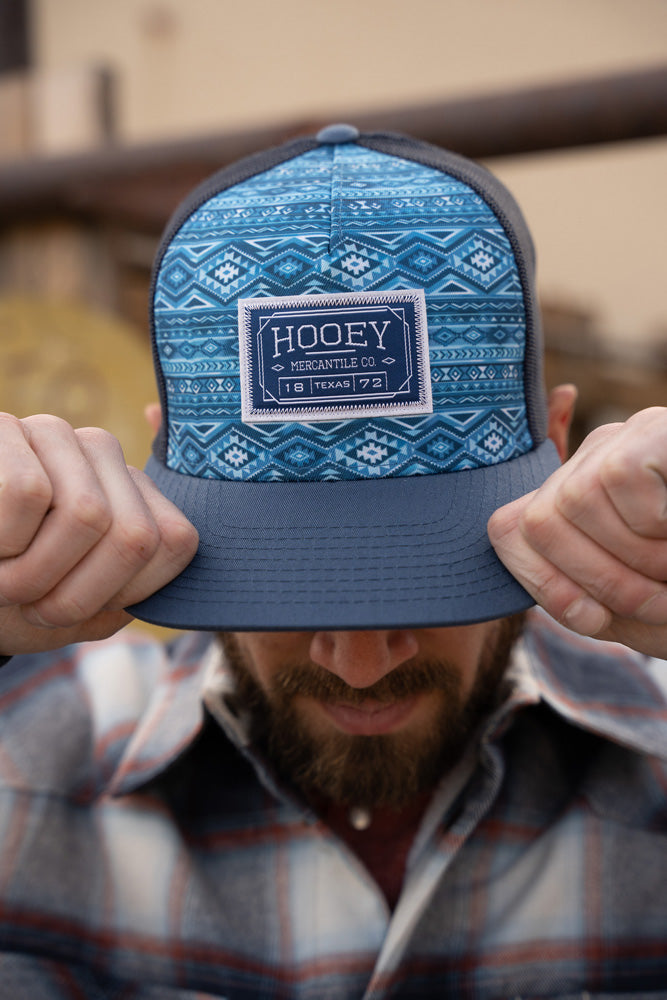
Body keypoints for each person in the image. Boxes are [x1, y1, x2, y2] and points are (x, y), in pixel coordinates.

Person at [0, 125, 665, 999]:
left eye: (430, 576)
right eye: (282, 586)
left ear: (557, 439)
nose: (357, 661)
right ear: (165, 461)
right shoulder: (28, 757)